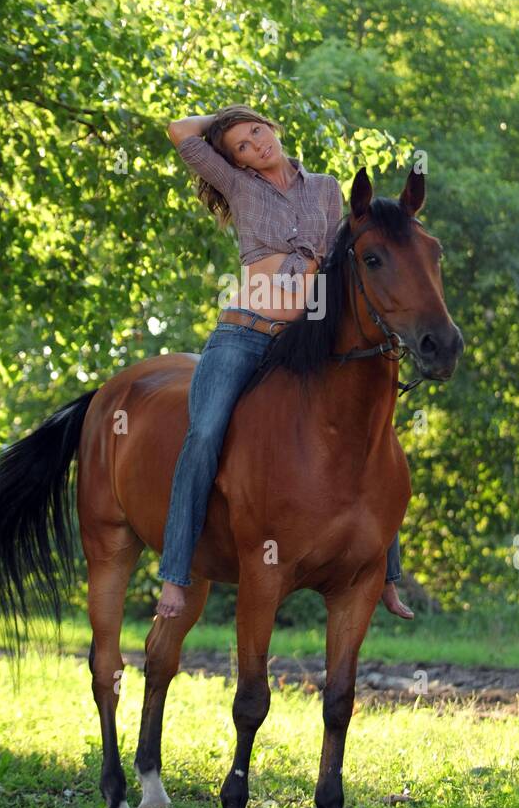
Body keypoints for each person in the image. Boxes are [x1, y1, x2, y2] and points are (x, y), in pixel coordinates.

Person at [156, 103, 413, 621]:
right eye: (242, 149)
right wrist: (220, 126)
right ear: (239, 165)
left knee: (371, 433)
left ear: (270, 126)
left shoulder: (326, 187)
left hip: (305, 341)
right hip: (246, 334)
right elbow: (179, 132)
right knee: (204, 434)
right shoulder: (239, 185)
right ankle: (175, 577)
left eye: (255, 131)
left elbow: (341, 260)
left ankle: (386, 574)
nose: (255, 145)